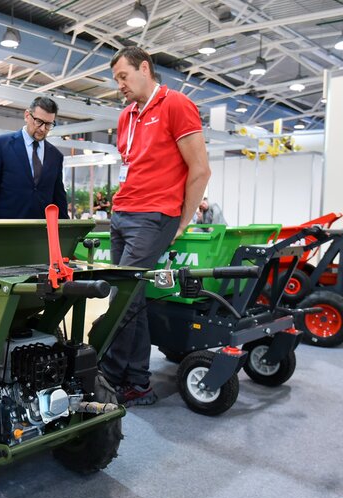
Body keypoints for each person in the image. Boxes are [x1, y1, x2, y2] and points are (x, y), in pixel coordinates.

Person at [100, 46, 211, 407]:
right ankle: (138, 383)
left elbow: (200, 169)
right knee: (133, 301)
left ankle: (109, 377)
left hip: (154, 217)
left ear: (144, 68)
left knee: (120, 300)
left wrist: (181, 222)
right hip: (122, 214)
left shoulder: (176, 104)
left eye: (123, 76)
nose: (119, 84)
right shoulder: (126, 117)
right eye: (115, 79)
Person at [0, 97, 68, 219]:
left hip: (41, 232)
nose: (43, 129)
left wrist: (66, 233)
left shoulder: (55, 156)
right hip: (7, 229)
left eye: (48, 124)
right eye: (39, 121)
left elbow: (59, 197)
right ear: (27, 115)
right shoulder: (1, 145)